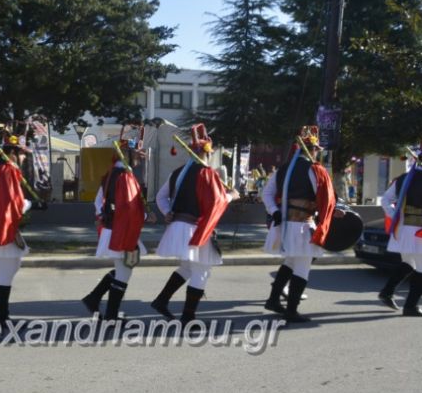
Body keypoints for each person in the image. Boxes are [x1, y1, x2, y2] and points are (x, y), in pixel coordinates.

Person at [151, 124, 240, 323]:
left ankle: (161, 300)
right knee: (202, 270)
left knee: (188, 267)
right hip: (194, 228)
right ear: (207, 152)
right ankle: (188, 318)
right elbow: (216, 202)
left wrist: (167, 212)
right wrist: (232, 196)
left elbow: (160, 197)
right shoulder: (207, 174)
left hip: (178, 226)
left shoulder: (178, 173)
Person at [261, 126, 337, 323]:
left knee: (290, 262)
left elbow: (267, 193)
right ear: (313, 150)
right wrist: (330, 212)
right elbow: (325, 199)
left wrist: (274, 211)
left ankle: (272, 300)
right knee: (302, 266)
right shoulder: (314, 170)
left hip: (285, 223)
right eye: (316, 150)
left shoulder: (284, 169)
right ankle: (291, 310)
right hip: (303, 224)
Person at [81, 124, 156, 320]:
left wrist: (103, 219)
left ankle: (94, 298)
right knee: (124, 271)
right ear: (128, 154)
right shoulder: (124, 176)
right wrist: (146, 217)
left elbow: (99, 202)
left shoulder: (112, 172)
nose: (140, 157)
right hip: (121, 230)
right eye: (137, 154)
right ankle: (110, 315)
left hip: (114, 228)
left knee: (125, 267)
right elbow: (129, 208)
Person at [0, 132, 46, 324]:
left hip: (0, 224)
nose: (24, 157)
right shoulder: (7, 170)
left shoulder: (4, 169)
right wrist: (30, 204)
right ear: (13, 153)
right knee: (8, 268)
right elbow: (11, 205)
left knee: (12, 265)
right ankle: (1, 315)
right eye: (22, 153)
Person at [379, 152, 422, 316]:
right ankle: (410, 306)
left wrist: (397, 215)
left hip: (403, 230)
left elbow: (385, 200)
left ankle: (387, 292)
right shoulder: (405, 178)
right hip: (418, 232)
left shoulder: (403, 178)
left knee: (409, 263)